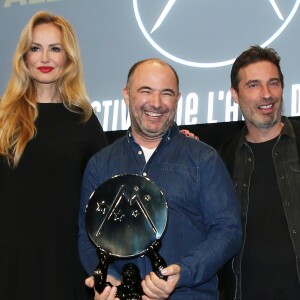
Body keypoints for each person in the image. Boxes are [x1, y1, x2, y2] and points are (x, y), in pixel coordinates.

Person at [78, 58, 242, 299]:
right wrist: (109, 277)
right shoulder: (100, 165)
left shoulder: (204, 159)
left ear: (177, 98)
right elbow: (86, 233)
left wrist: (184, 271)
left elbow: (228, 230)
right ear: (126, 94)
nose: (156, 103)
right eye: (146, 91)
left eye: (166, 93)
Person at [0, 11, 108, 300]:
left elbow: (106, 193)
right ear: (24, 57)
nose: (45, 58)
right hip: (10, 261)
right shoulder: (3, 117)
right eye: (35, 48)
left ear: (68, 59)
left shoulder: (85, 121)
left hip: (66, 264)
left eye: (55, 49)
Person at [218, 45, 300, 300]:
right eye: (253, 85)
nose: (266, 95)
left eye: (273, 83)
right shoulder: (221, 159)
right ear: (235, 94)